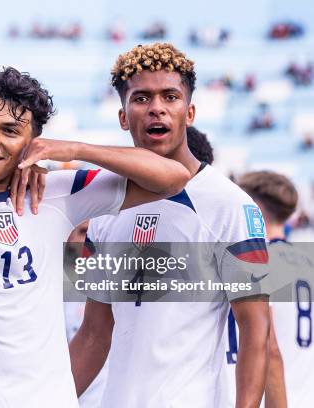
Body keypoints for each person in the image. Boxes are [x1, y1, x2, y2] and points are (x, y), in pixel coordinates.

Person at [0, 66, 190, 407]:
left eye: (10, 130)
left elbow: (174, 176)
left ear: (32, 144)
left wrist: (74, 149)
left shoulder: (56, 192)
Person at [69, 43, 270, 408]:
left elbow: (256, 333)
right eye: (142, 98)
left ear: (189, 111)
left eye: (170, 96)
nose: (156, 108)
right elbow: (93, 336)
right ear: (123, 116)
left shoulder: (230, 205)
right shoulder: (102, 209)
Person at [237, 171, 313, 408]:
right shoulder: (308, 260)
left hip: (276, 398)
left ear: (255, 207)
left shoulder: (257, 261)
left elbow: (268, 348)